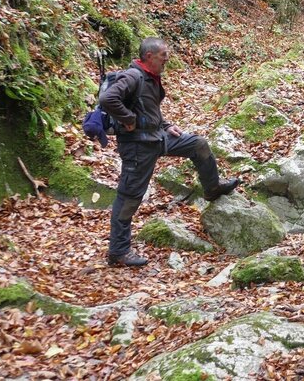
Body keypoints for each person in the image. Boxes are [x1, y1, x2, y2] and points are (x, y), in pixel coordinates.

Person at [100, 37, 239, 267]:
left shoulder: (150, 78)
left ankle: (212, 188)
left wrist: (165, 126)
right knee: (130, 198)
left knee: (198, 144)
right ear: (149, 57)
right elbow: (108, 99)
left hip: (158, 137)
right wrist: (129, 120)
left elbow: (148, 108)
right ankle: (118, 251)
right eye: (163, 55)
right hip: (138, 146)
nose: (167, 59)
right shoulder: (133, 76)